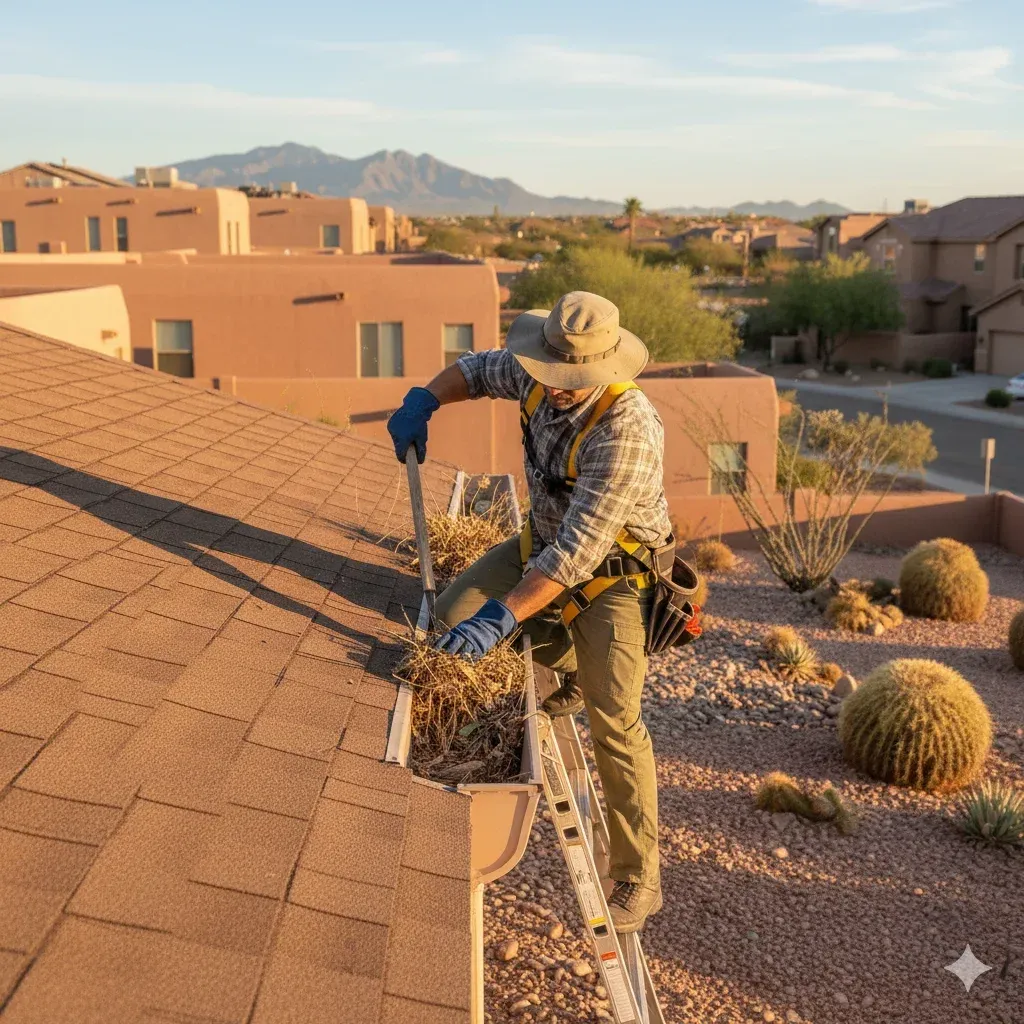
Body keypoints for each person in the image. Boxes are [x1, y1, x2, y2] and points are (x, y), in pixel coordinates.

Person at [387, 290, 672, 932]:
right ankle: (568, 657)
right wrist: (424, 399)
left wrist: (503, 618)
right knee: (451, 617)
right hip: (538, 545)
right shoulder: (536, 371)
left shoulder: (627, 430)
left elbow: (576, 557)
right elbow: (477, 369)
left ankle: (638, 876)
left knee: (616, 721)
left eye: (575, 380)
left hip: (611, 576)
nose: (560, 387)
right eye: (553, 374)